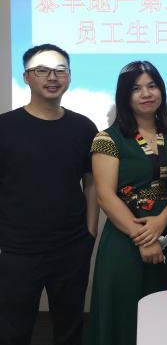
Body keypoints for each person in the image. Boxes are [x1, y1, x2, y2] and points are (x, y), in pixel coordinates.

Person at [0, 44, 98, 345]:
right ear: (27, 77)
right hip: (17, 250)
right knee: (13, 331)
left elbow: (91, 183)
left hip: (71, 247)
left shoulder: (84, 127)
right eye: (42, 70)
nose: (52, 77)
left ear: (69, 76)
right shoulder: (5, 127)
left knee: (70, 328)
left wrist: (90, 232)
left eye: (60, 70)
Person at [89, 61, 167, 345]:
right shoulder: (108, 138)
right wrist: (144, 238)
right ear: (124, 96)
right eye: (136, 88)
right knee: (125, 315)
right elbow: (105, 196)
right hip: (125, 239)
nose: (146, 93)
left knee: (166, 317)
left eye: (152, 86)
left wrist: (163, 220)